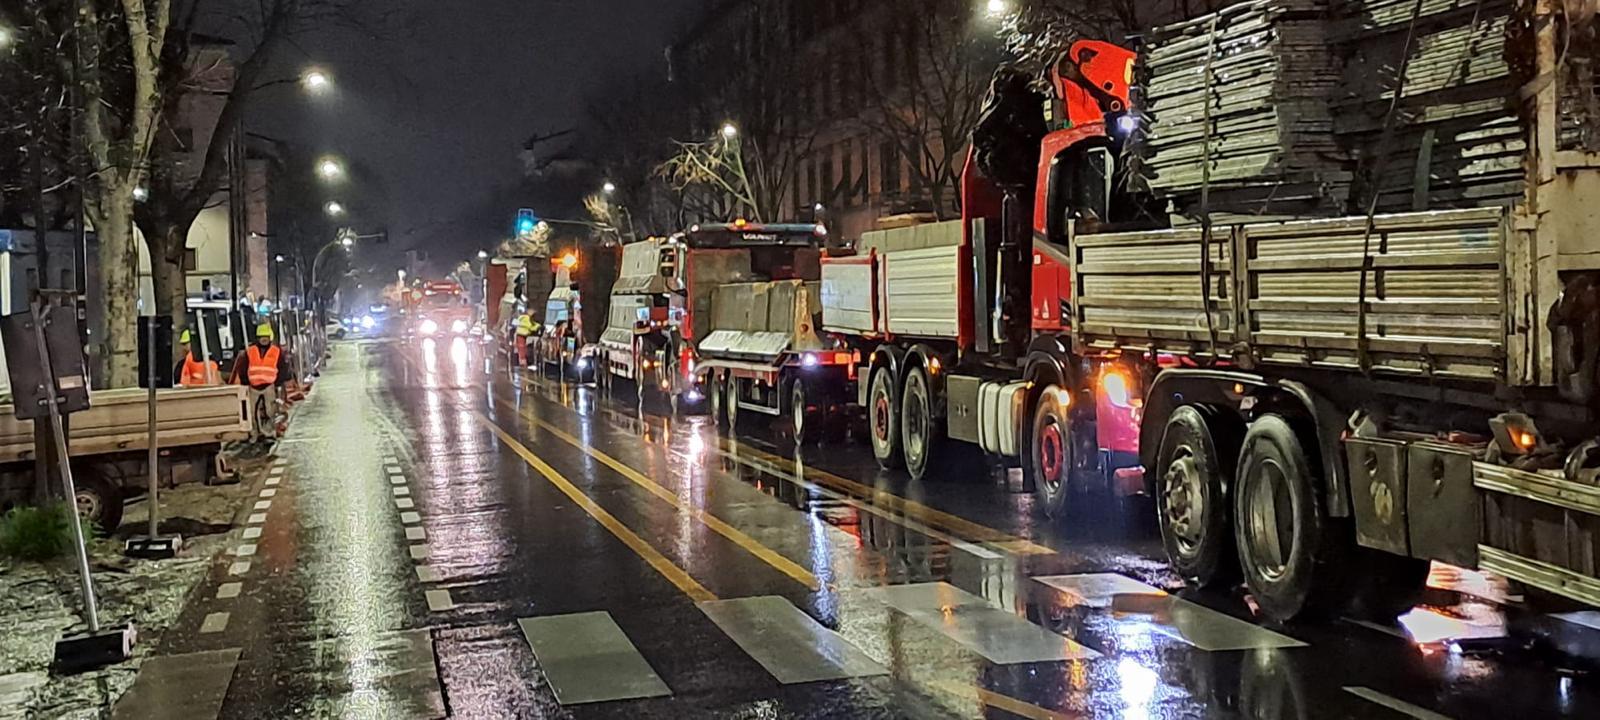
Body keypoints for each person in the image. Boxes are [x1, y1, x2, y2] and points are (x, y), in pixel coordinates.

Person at [231, 323, 291, 443]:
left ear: (269, 337)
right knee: (252, 412)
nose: (264, 339)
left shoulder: (276, 351)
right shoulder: (250, 351)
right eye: (261, 336)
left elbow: (283, 367)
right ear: (257, 338)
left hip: (269, 386)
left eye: (266, 336)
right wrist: (245, 382)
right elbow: (242, 367)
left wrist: (278, 382)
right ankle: (254, 434)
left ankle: (269, 433)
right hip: (253, 387)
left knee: (271, 411)